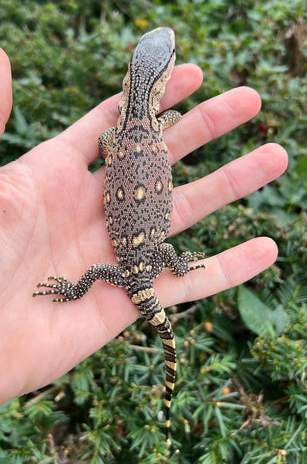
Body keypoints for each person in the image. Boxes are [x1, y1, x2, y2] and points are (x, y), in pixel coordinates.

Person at [0, 48, 288, 405]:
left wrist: (123, 151)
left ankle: (94, 292)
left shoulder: (116, 133)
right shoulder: (150, 126)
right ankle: (152, 293)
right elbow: (175, 115)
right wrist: (178, 266)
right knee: (144, 259)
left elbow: (105, 144)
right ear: (161, 80)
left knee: (155, 255)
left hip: (141, 247)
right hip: (141, 256)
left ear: (129, 78)